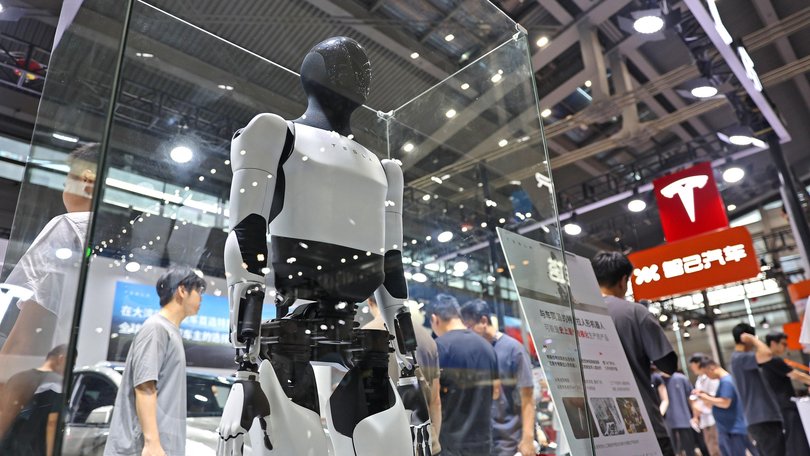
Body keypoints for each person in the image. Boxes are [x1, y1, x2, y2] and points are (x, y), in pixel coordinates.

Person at [0, 143, 99, 357]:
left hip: (43, 383)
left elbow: (26, 340)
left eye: (66, 182)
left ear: (87, 181)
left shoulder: (69, 227)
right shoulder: (109, 238)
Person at [104, 267, 205, 456]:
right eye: (199, 291)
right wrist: (152, 443)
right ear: (182, 290)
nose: (201, 297)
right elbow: (144, 386)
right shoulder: (156, 328)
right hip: (143, 449)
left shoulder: (169, 331)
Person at [591, 251, 678, 456]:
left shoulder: (577, 315)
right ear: (623, 280)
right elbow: (669, 365)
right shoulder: (635, 312)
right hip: (642, 422)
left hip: (601, 429)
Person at [363, 296, 442, 455]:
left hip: (383, 443)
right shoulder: (426, 338)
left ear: (370, 302)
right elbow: (435, 401)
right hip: (424, 440)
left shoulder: (362, 337)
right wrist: (432, 442)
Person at [460, 299, 539, 456]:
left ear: (483, 320)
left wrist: (528, 438)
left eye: (469, 327)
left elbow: (528, 397)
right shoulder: (475, 351)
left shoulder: (514, 349)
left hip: (509, 439)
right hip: (482, 438)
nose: (467, 333)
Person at [430, 293, 498, 456]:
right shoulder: (487, 347)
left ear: (435, 319)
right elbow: (496, 392)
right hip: (483, 443)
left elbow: (435, 400)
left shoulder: (439, 347)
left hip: (451, 444)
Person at [0, 344, 67, 456]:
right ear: (62, 359)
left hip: (7, 446)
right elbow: (52, 423)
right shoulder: (57, 384)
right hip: (32, 448)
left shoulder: (16, 378)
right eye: (71, 364)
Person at [729, 323, 785, 455]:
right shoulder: (740, 358)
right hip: (762, 418)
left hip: (763, 418)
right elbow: (767, 353)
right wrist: (753, 339)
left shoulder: (741, 359)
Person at [761, 332, 810, 456]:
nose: (785, 347)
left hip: (780, 406)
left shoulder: (766, 362)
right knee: (796, 439)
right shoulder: (773, 360)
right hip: (786, 406)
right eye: (783, 344)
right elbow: (796, 375)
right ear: (773, 343)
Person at [695, 357, 752, 456]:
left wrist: (706, 398)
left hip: (733, 429)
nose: (708, 376)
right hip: (728, 429)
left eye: (707, 373)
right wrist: (706, 395)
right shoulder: (725, 381)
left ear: (712, 368)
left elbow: (725, 403)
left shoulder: (726, 381)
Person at [688, 353, 720, 456]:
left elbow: (715, 398)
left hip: (714, 417)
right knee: (711, 448)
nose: (692, 368)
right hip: (705, 419)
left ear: (698, 364)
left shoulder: (711, 377)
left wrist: (701, 396)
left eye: (693, 365)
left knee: (718, 447)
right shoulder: (699, 380)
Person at [663, 371, 699, 456]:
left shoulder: (681, 378)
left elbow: (692, 398)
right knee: (672, 450)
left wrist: (695, 416)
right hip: (666, 421)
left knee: (689, 449)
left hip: (684, 419)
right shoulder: (658, 379)